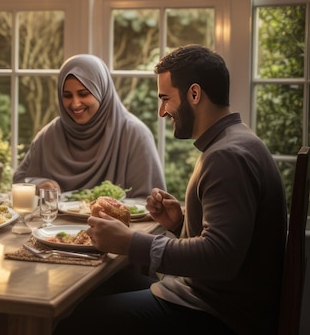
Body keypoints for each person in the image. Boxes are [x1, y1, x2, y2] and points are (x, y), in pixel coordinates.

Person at [54, 45, 287, 335]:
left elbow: (221, 257)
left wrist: (131, 243)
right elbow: (231, 241)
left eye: (165, 99)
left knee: (74, 322)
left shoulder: (227, 156)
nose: (162, 111)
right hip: (209, 297)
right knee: (99, 287)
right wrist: (179, 224)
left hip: (217, 314)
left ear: (194, 94)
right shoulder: (234, 141)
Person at [13, 54, 165, 198]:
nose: (75, 103)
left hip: (118, 225)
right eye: (67, 95)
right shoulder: (51, 134)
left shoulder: (134, 134)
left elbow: (150, 202)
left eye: (84, 93)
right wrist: (40, 185)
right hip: (56, 226)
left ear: (101, 91)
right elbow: (19, 180)